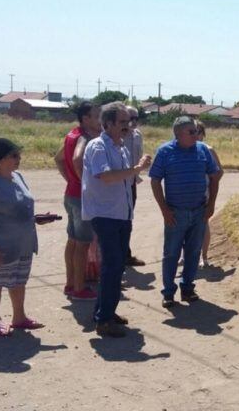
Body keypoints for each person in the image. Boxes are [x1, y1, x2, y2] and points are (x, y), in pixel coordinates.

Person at [82, 102, 152, 338]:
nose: (127, 126)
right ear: (108, 123)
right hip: (105, 215)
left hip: (121, 215)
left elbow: (122, 180)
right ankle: (104, 320)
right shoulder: (98, 146)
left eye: (129, 121)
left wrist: (136, 169)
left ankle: (105, 312)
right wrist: (137, 168)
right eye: (122, 122)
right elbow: (106, 176)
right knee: (112, 268)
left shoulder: (120, 146)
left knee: (115, 266)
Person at [0, 138, 56, 336]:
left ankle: (19, 317)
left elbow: (18, 206)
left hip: (24, 243)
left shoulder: (17, 176)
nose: (19, 158)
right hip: (1, 246)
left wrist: (36, 219)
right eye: (14, 155)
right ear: (0, 159)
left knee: (19, 281)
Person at [150, 116, 221, 309]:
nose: (196, 135)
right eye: (192, 132)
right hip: (175, 213)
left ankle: (188, 288)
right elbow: (155, 180)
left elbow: (215, 177)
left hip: (199, 211)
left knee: (193, 252)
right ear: (178, 134)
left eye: (196, 131)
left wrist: (211, 204)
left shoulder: (202, 150)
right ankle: (169, 292)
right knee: (171, 254)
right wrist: (164, 209)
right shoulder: (165, 152)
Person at [53, 101, 100, 300]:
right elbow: (76, 159)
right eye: (96, 116)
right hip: (81, 198)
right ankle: (79, 288)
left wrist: (71, 180)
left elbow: (58, 158)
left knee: (73, 240)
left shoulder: (71, 134)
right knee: (82, 244)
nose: (100, 120)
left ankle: (70, 283)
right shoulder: (84, 137)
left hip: (70, 194)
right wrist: (85, 184)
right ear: (86, 118)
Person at [196, 121, 224, 268]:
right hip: (189, 194)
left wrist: (211, 187)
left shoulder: (208, 150)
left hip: (204, 194)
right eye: (192, 131)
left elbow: (220, 171)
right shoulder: (183, 149)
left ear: (203, 134)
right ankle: (185, 255)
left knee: (203, 223)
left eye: (199, 131)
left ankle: (204, 256)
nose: (196, 135)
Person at [123, 106, 146, 267]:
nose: (133, 122)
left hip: (131, 183)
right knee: (117, 221)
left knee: (128, 219)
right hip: (117, 184)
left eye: (136, 118)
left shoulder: (137, 135)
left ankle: (125, 254)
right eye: (129, 118)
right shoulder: (116, 137)